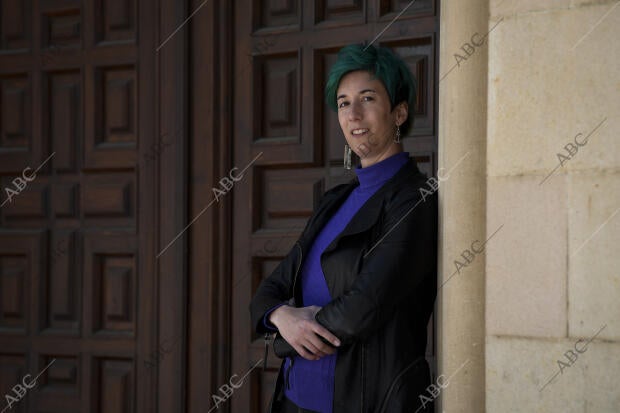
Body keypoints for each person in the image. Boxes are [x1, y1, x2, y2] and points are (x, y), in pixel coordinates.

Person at [250, 43, 438, 413]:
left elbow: (363, 308)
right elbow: (269, 291)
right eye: (343, 102)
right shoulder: (334, 200)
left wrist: (285, 340)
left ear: (399, 112)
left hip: (367, 401)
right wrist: (279, 316)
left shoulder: (414, 198)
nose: (353, 114)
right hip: (292, 400)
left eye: (367, 98)